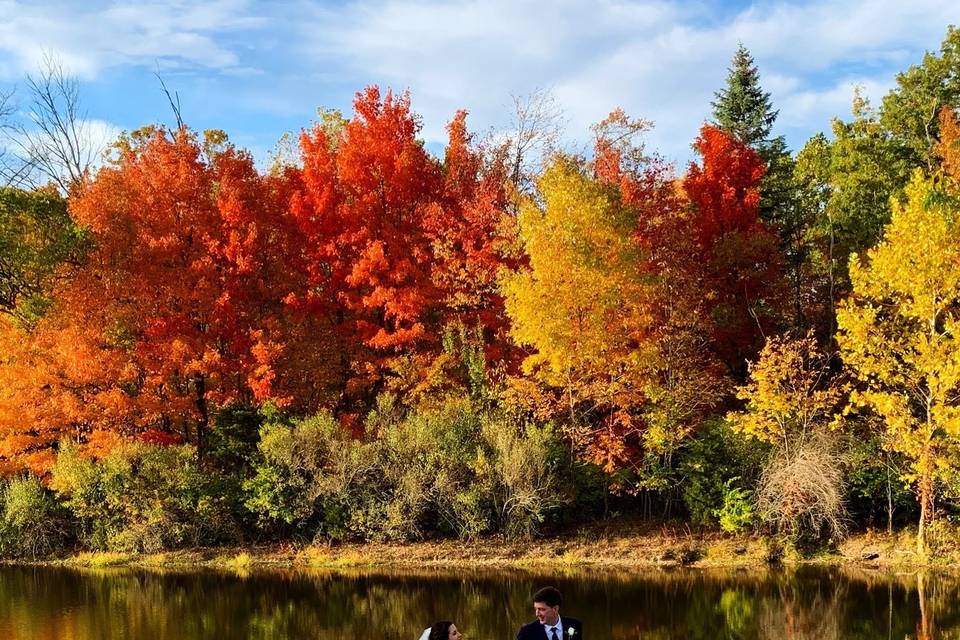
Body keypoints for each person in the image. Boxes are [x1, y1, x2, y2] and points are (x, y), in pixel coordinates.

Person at [516, 586, 583, 640]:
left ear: (555, 609)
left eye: (542, 609)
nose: (537, 614)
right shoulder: (527, 632)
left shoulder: (574, 624)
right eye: (536, 609)